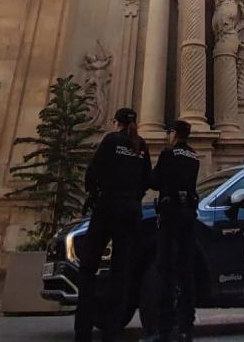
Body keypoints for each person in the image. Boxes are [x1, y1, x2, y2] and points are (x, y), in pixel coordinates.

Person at [75, 108, 152, 342]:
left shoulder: (111, 140)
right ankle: (113, 331)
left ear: (116, 122)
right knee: (122, 272)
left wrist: (96, 195)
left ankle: (83, 331)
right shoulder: (141, 146)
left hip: (106, 210)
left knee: (88, 268)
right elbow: (148, 179)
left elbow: (93, 172)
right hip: (130, 213)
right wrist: (134, 198)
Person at [150, 120, 200, 342]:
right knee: (187, 270)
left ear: (173, 134)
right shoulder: (195, 157)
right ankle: (186, 326)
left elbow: (154, 182)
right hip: (189, 215)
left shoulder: (168, 155)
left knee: (166, 270)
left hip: (170, 217)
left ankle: (164, 328)